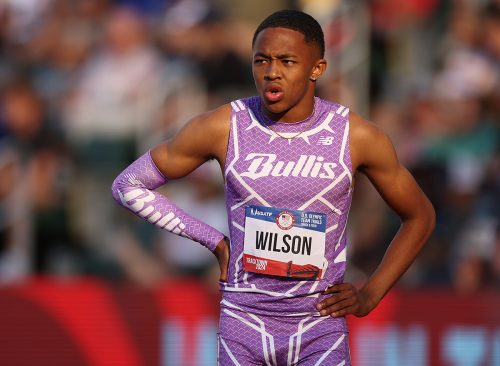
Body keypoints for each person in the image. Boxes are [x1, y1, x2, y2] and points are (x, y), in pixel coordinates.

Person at [112, 9, 435, 365]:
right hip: (244, 321)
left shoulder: (356, 136)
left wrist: (371, 294)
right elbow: (128, 184)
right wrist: (215, 242)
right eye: (261, 60)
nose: (271, 72)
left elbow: (420, 217)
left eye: (287, 60)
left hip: (320, 326)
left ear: (317, 69)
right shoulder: (223, 126)